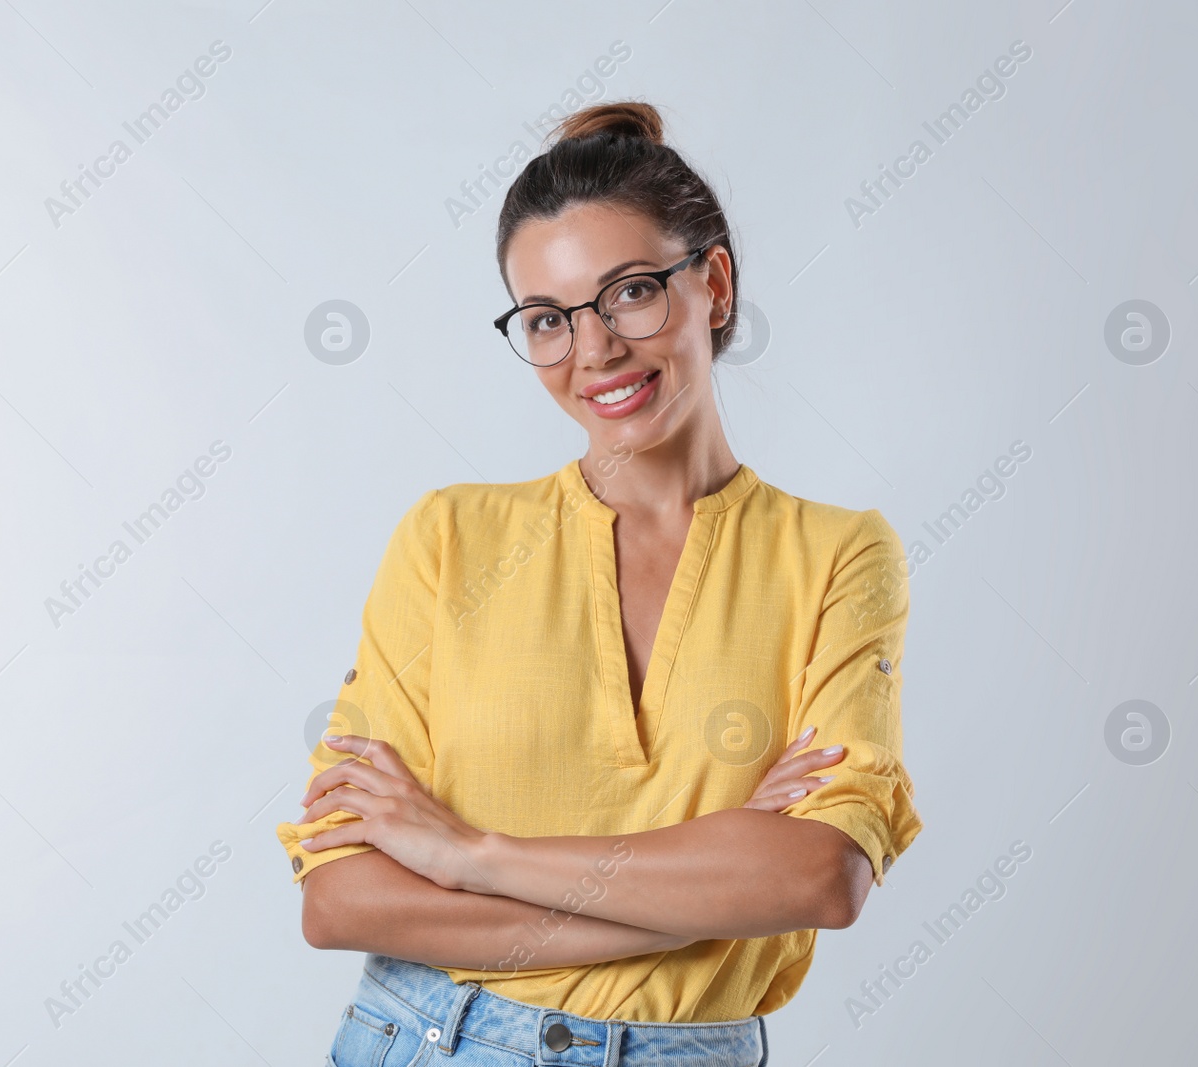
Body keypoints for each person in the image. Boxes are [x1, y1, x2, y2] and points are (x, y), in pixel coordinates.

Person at [277, 100, 922, 1067]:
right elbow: (340, 899)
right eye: (547, 319)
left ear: (713, 282)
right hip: (428, 1039)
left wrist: (470, 855)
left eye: (629, 294)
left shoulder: (836, 556)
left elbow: (821, 875)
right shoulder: (449, 540)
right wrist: (701, 892)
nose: (594, 351)